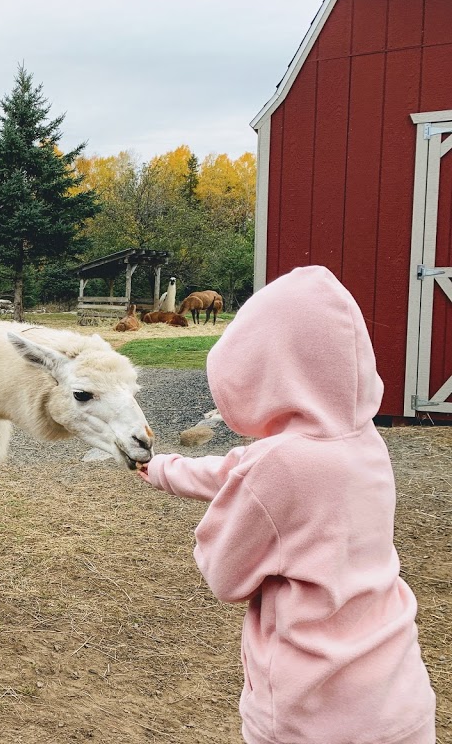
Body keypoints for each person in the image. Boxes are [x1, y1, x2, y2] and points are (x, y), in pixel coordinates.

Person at [138, 265, 435, 744]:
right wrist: (164, 470)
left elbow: (225, 575)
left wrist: (224, 517)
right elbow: (244, 469)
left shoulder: (281, 465)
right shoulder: (359, 440)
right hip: (397, 700)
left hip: (311, 713)